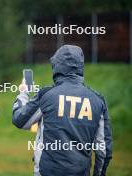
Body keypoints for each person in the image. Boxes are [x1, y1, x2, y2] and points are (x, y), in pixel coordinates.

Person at [12, 45, 112, 176]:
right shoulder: (98, 100)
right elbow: (103, 150)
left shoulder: (46, 95)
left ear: (57, 66)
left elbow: (20, 120)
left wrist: (23, 93)